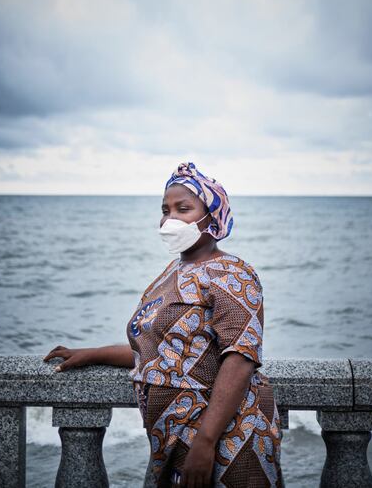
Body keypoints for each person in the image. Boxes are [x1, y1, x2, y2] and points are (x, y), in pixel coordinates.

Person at [44, 161, 284, 487]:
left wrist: (205, 442)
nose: (170, 218)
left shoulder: (233, 274)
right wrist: (91, 353)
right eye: (165, 209)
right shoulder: (169, 275)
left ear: (211, 216)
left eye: (182, 209)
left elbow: (240, 357)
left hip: (227, 436)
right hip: (171, 435)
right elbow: (164, 354)